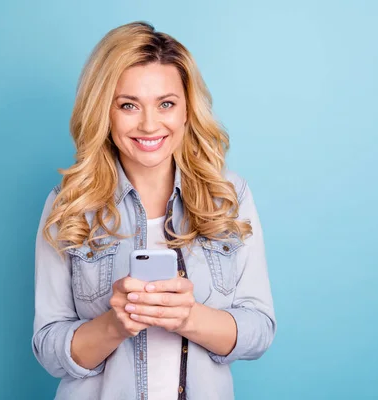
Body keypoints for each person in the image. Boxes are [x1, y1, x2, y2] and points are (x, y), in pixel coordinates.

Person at [32, 21, 276, 400]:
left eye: (166, 103)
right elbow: (49, 348)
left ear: (186, 110)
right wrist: (115, 324)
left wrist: (188, 317)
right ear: (104, 112)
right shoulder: (69, 204)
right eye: (128, 105)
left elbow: (259, 331)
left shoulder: (228, 195)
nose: (149, 124)